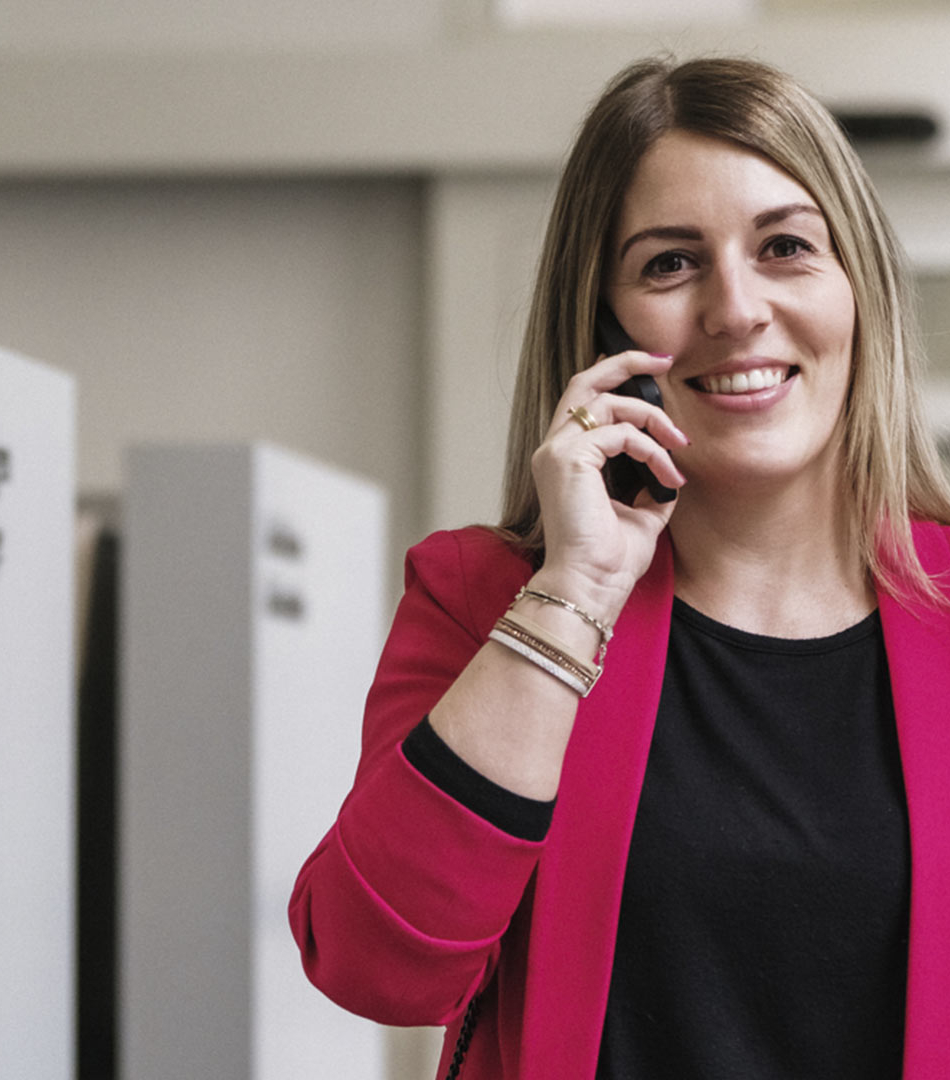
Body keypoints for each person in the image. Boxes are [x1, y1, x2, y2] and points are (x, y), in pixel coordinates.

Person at [289, 56, 950, 1079]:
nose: (736, 309)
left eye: (784, 247)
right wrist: (574, 592)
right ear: (603, 327)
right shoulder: (484, 601)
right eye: (670, 265)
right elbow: (377, 969)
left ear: (860, 289)